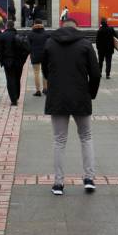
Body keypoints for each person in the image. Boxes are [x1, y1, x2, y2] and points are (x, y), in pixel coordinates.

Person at [42, 18, 101, 196]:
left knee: (59, 140)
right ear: (77, 27)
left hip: (57, 96)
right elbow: (96, 73)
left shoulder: (50, 43)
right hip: (80, 96)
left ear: (61, 27)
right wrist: (90, 93)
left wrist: (53, 84)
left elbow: (45, 70)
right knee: (86, 137)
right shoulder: (85, 44)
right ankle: (89, 179)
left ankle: (58, 183)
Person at [0, 21, 29, 106]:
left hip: (7, 61)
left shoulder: (2, 36)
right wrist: (23, 60)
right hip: (18, 61)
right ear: (13, 26)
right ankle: (17, 96)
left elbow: (0, 50)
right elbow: (26, 49)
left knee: (10, 79)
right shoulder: (19, 35)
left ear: (6, 26)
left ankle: (13, 98)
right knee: (17, 78)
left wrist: (2, 61)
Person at [28, 19, 51, 96]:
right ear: (42, 24)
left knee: (36, 73)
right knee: (45, 72)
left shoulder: (30, 34)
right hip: (45, 55)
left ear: (34, 24)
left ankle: (38, 91)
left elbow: (28, 46)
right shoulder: (46, 34)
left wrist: (31, 51)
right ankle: (45, 89)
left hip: (35, 55)